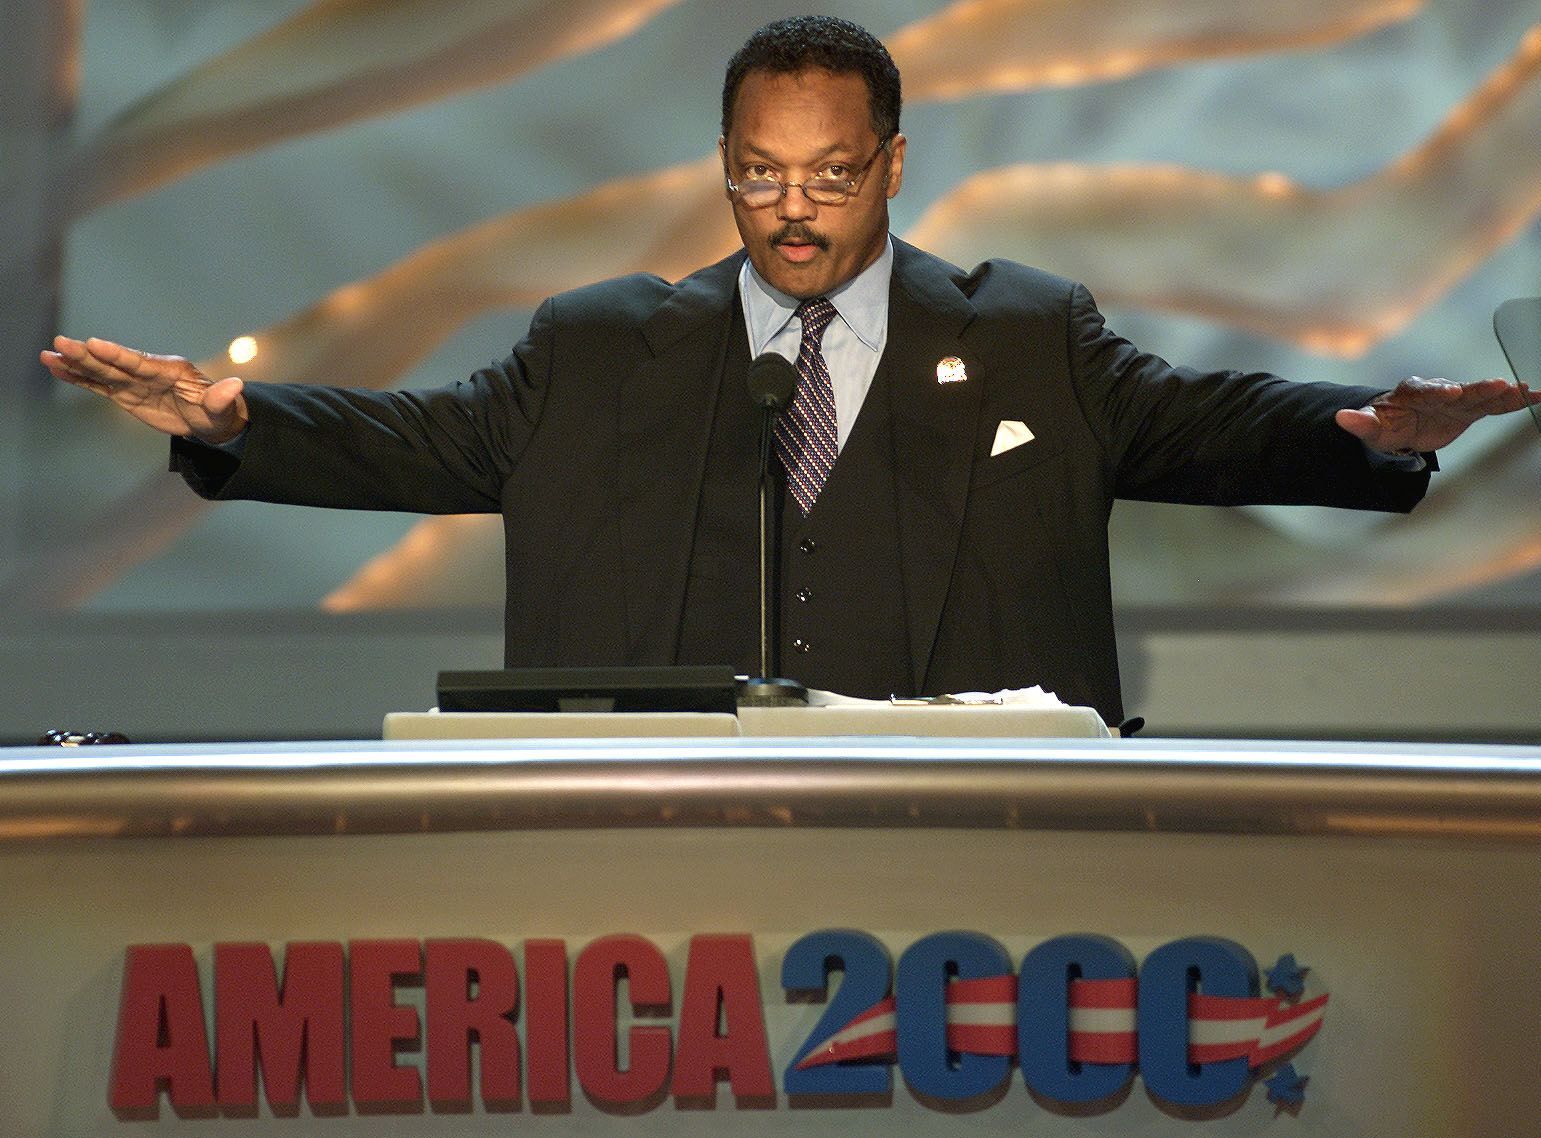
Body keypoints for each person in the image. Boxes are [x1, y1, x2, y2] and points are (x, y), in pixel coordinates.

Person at [41, 15, 1534, 727]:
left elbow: (1207, 426)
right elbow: (428, 443)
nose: (795, 208)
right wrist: (237, 418)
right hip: (665, 882)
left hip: (979, 896)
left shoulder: (1025, 331)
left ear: (890, 163)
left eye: (829, 173)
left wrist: (1368, 426)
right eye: (760, 174)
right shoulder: (601, 348)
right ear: (724, 173)